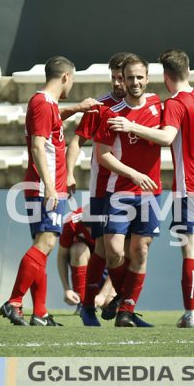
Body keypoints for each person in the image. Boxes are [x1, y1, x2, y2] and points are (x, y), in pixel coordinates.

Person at [107, 49, 194, 329]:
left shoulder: (174, 104)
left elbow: (166, 136)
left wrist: (131, 124)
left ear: (166, 76)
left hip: (189, 186)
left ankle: (190, 315)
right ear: (189, 72)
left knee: (192, 250)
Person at [0, 56, 91, 327]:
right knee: (47, 243)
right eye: (72, 79)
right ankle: (14, 301)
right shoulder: (41, 103)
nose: (71, 84)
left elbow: (51, 125)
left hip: (50, 186)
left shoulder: (48, 104)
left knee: (42, 246)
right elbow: (38, 146)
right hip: (45, 187)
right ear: (65, 77)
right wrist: (51, 186)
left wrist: (77, 108)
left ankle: (39, 312)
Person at [65, 52, 137, 326]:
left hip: (132, 189)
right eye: (115, 78)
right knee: (103, 250)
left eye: (123, 78)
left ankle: (121, 303)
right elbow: (76, 143)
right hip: (102, 191)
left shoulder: (141, 105)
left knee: (132, 251)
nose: (119, 83)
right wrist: (70, 172)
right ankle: (89, 304)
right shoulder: (99, 106)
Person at [94, 54, 161, 327]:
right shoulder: (110, 113)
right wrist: (133, 174)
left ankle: (126, 310)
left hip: (150, 193)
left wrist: (135, 126)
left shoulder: (159, 106)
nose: (134, 82)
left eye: (139, 77)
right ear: (122, 78)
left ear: (147, 78)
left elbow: (169, 137)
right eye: (129, 77)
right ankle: (124, 297)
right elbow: (103, 156)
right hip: (119, 191)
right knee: (114, 252)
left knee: (141, 251)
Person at [56, 207, 116, 312]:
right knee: (78, 249)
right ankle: (82, 303)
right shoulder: (72, 222)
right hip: (87, 260)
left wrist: (103, 295)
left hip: (106, 263)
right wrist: (67, 289)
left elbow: (117, 261)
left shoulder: (112, 224)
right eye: (87, 226)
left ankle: (102, 298)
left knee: (109, 306)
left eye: (94, 226)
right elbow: (61, 256)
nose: (89, 231)